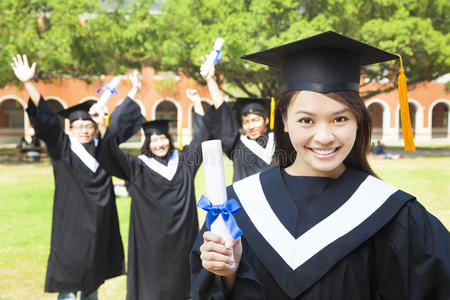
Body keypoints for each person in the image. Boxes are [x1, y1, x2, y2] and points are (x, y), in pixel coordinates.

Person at [190, 31, 450, 299]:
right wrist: (228, 273)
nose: (324, 137)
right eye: (306, 120)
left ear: (358, 121)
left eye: (339, 119)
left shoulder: (390, 211)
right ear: (284, 121)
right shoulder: (238, 206)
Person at [11, 54, 125, 300]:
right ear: (69, 128)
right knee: (69, 281)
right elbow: (48, 121)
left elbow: (115, 154)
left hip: (98, 225)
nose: (84, 130)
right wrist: (30, 83)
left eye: (88, 126)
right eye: (78, 126)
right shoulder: (62, 148)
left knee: (93, 280)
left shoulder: (102, 148)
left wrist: (102, 123)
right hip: (70, 227)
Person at [89, 83, 210, 300]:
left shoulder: (184, 162)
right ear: (148, 143)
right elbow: (111, 153)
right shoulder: (137, 167)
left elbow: (201, 140)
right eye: (154, 140)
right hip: (150, 244)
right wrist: (101, 124)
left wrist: (197, 104)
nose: (160, 144)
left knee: (183, 289)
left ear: (169, 139)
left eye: (163, 138)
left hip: (183, 243)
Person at [201, 58, 275, 181]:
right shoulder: (237, 145)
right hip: (244, 200)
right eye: (246, 122)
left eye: (256, 120)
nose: (251, 126)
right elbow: (223, 113)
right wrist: (210, 80)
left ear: (266, 120)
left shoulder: (278, 142)